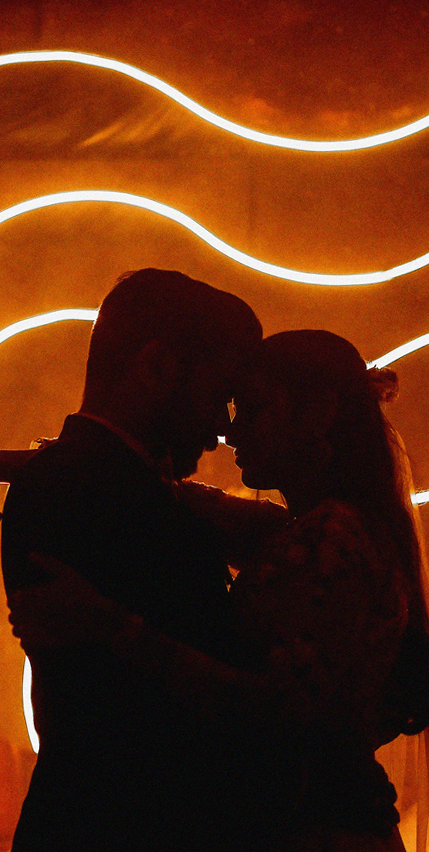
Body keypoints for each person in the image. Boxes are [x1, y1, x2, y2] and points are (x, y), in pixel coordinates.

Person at [7, 329, 429, 851]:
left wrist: (113, 625)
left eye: (253, 407)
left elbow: (276, 712)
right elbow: (163, 491)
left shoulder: (336, 539)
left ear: (317, 413)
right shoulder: (318, 531)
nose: (229, 431)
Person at [2, 267, 288, 852]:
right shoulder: (96, 491)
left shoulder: (93, 482)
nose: (222, 428)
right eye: (219, 395)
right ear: (156, 366)